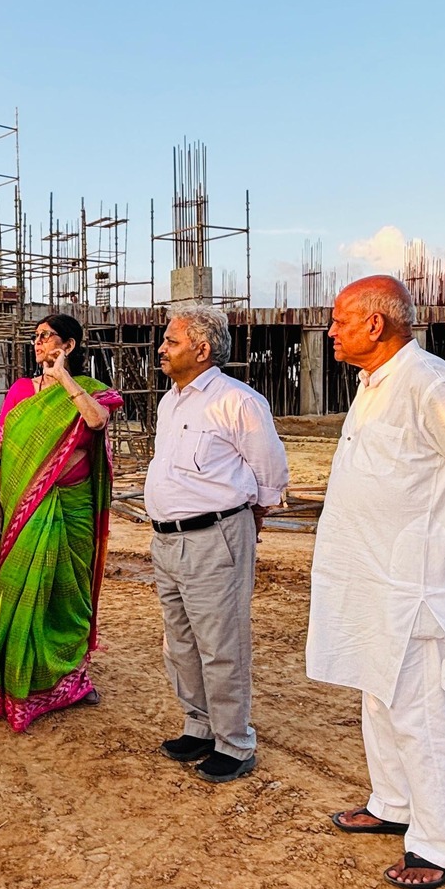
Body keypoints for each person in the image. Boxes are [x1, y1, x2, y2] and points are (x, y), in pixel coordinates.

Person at [306, 276, 445, 889]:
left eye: (340, 320)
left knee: (422, 714)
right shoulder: (375, 383)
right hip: (372, 577)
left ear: (375, 324)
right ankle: (392, 803)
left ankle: (439, 843)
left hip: (414, 585)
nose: (331, 330)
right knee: (379, 694)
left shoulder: (429, 382)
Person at [145, 306, 290, 783]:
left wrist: (247, 522)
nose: (162, 349)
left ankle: (234, 742)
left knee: (221, 643)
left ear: (202, 350)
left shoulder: (238, 402)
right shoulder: (171, 403)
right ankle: (199, 726)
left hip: (215, 537)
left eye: (171, 341)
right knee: (180, 643)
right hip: (167, 540)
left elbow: (270, 474)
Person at [0, 313, 125, 730]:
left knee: (70, 597)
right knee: (19, 591)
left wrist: (63, 379)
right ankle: (12, 681)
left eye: (46, 336)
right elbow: (2, 446)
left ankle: (68, 680)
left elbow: (96, 421)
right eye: (36, 337)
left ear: (69, 345)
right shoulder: (21, 392)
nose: (38, 342)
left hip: (74, 507)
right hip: (24, 506)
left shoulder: (90, 389)